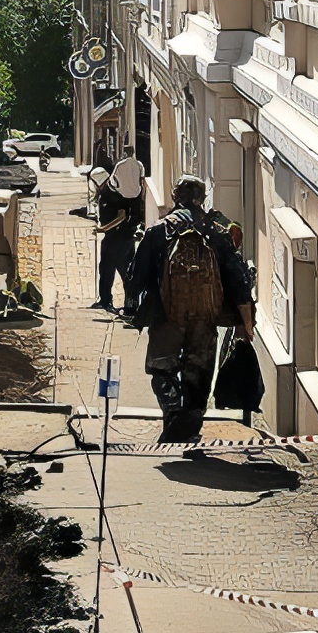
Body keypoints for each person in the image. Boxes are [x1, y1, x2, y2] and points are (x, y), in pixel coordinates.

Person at [128, 175, 256, 443]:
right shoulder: (216, 233)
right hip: (205, 317)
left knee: (161, 368)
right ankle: (191, 422)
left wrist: (139, 305)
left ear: (175, 198)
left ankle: (173, 413)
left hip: (166, 317)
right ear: (202, 200)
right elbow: (239, 279)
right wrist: (246, 322)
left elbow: (135, 277)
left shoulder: (157, 231)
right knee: (198, 370)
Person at [91, 145, 145, 314]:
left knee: (107, 269)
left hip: (114, 236)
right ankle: (130, 305)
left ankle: (106, 301)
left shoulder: (111, 193)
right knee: (126, 270)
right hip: (127, 236)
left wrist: (102, 229)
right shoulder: (130, 193)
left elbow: (121, 216)